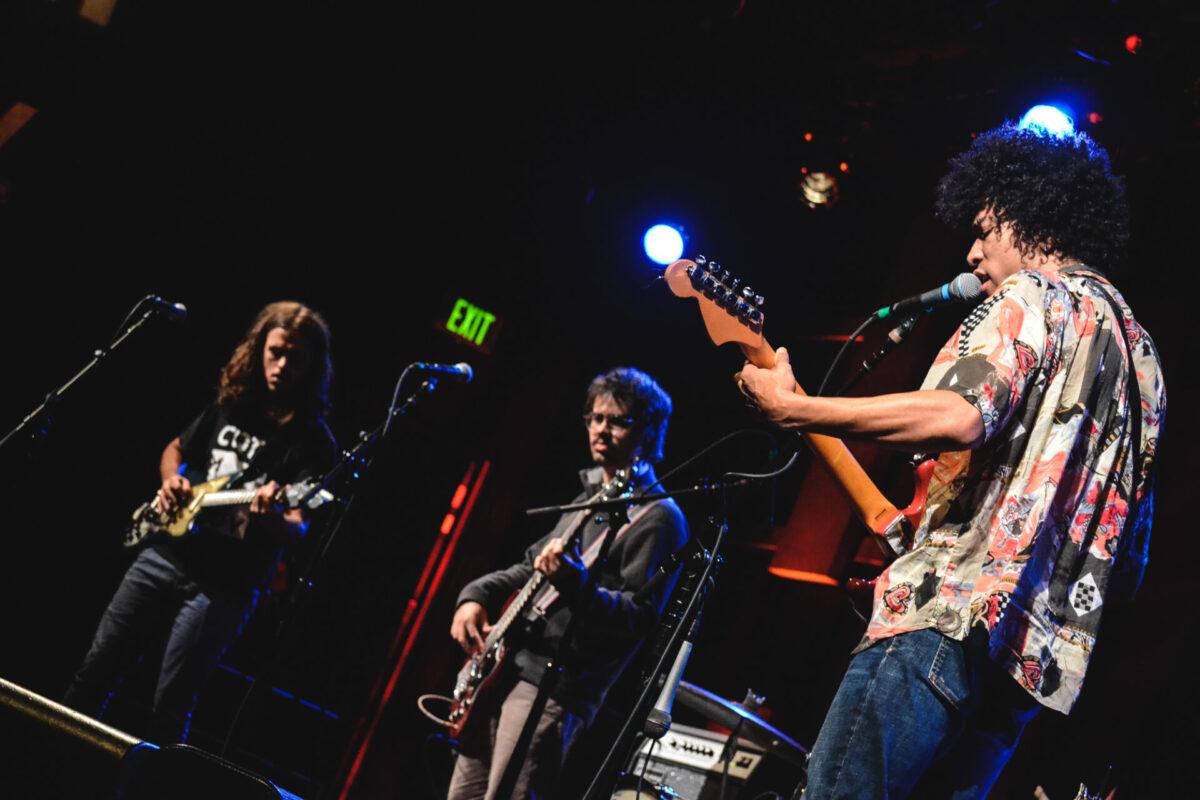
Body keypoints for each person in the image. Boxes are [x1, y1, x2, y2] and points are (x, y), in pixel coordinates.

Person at [738, 122, 1166, 799]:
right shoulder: (1142, 362)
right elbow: (1131, 558)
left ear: (1030, 217)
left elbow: (961, 415)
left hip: (943, 622)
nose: (972, 253)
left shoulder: (1031, 298)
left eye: (985, 229)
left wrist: (798, 411)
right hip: (1029, 668)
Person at [65, 301, 337, 743]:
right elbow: (176, 448)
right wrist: (172, 481)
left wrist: (271, 518)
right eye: (275, 351)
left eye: (296, 358)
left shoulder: (314, 442)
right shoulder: (233, 402)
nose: (282, 365)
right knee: (95, 672)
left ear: (312, 367)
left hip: (224, 587)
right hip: (164, 554)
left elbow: (298, 525)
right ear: (259, 348)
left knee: (170, 709)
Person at [445, 367, 688, 800]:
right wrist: (474, 594)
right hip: (509, 669)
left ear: (649, 430)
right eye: (595, 418)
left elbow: (638, 618)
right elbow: (532, 568)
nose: (601, 429)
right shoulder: (591, 499)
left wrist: (576, 584)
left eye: (617, 420)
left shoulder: (659, 518)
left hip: (556, 687)